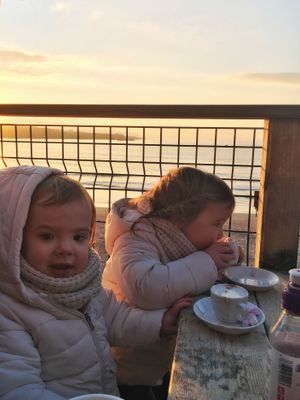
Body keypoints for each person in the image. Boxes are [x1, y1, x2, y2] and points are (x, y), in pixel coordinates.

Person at [0, 165, 192, 400]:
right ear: (14, 241)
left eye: (78, 237)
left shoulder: (84, 288)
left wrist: (161, 322)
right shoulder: (9, 313)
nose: (66, 248)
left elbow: (117, 319)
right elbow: (19, 390)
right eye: (47, 236)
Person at [102, 166, 243, 400]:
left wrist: (228, 254)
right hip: (130, 365)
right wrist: (208, 260)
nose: (221, 233)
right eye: (216, 224)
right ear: (180, 218)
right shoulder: (135, 238)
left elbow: (191, 264)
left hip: (164, 356)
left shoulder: (179, 238)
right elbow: (147, 289)